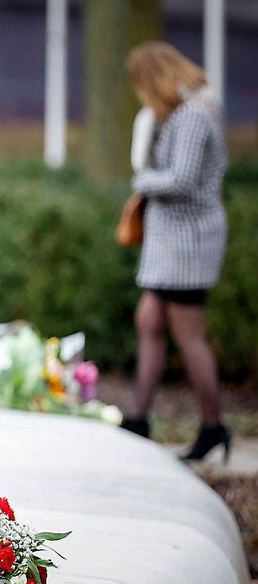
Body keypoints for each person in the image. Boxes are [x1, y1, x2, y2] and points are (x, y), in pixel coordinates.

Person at [118, 41, 230, 462]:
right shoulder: (180, 115)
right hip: (170, 241)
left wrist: (141, 182)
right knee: (148, 319)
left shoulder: (194, 116)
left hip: (189, 242)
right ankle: (138, 419)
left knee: (189, 334)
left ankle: (213, 425)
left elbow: (182, 180)